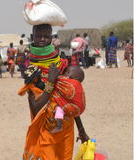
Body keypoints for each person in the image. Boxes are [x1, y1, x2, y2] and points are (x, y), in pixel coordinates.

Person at [18, 24, 89, 160]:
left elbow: (70, 100)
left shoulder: (61, 64)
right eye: (39, 36)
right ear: (33, 37)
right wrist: (50, 82)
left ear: (51, 37)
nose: (43, 39)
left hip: (66, 129)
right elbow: (35, 107)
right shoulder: (32, 70)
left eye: (46, 36)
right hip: (45, 129)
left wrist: (81, 130)